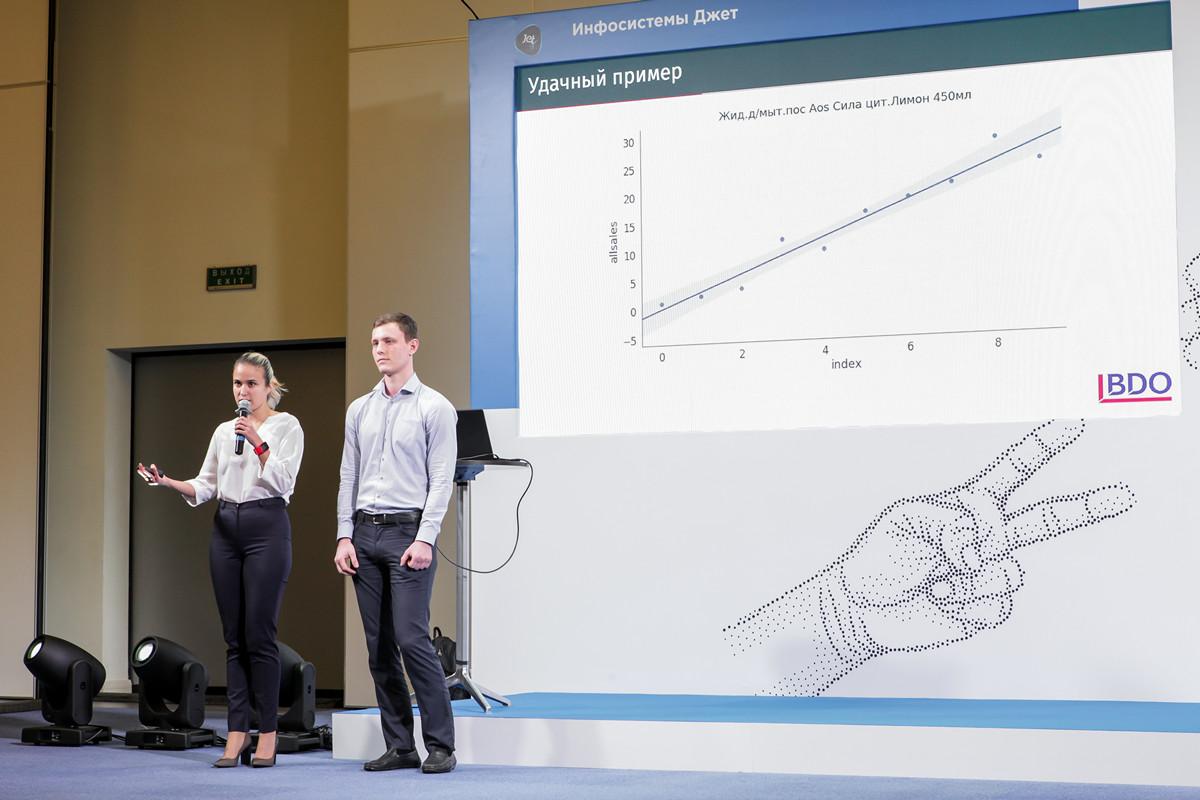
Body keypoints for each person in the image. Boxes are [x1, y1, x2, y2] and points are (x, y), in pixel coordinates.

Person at [136, 352, 304, 768]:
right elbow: (206, 485)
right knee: (234, 639)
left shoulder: (287, 426)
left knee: (259, 636)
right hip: (226, 529)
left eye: (251, 384)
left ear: (269, 387)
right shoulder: (223, 431)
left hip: (267, 527)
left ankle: (267, 734)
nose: (243, 391)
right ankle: (236, 732)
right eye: (237, 383)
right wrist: (167, 481)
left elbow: (284, 480)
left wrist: (258, 440)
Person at [333, 312, 457, 774]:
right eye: (374, 343)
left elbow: (441, 479)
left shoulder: (434, 407)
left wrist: (426, 538)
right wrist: (344, 534)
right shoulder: (359, 410)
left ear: (412, 346)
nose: (380, 349)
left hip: (409, 533)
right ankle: (400, 745)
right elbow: (348, 475)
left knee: (411, 638)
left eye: (388, 341)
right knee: (379, 646)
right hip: (364, 533)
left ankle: (441, 745)